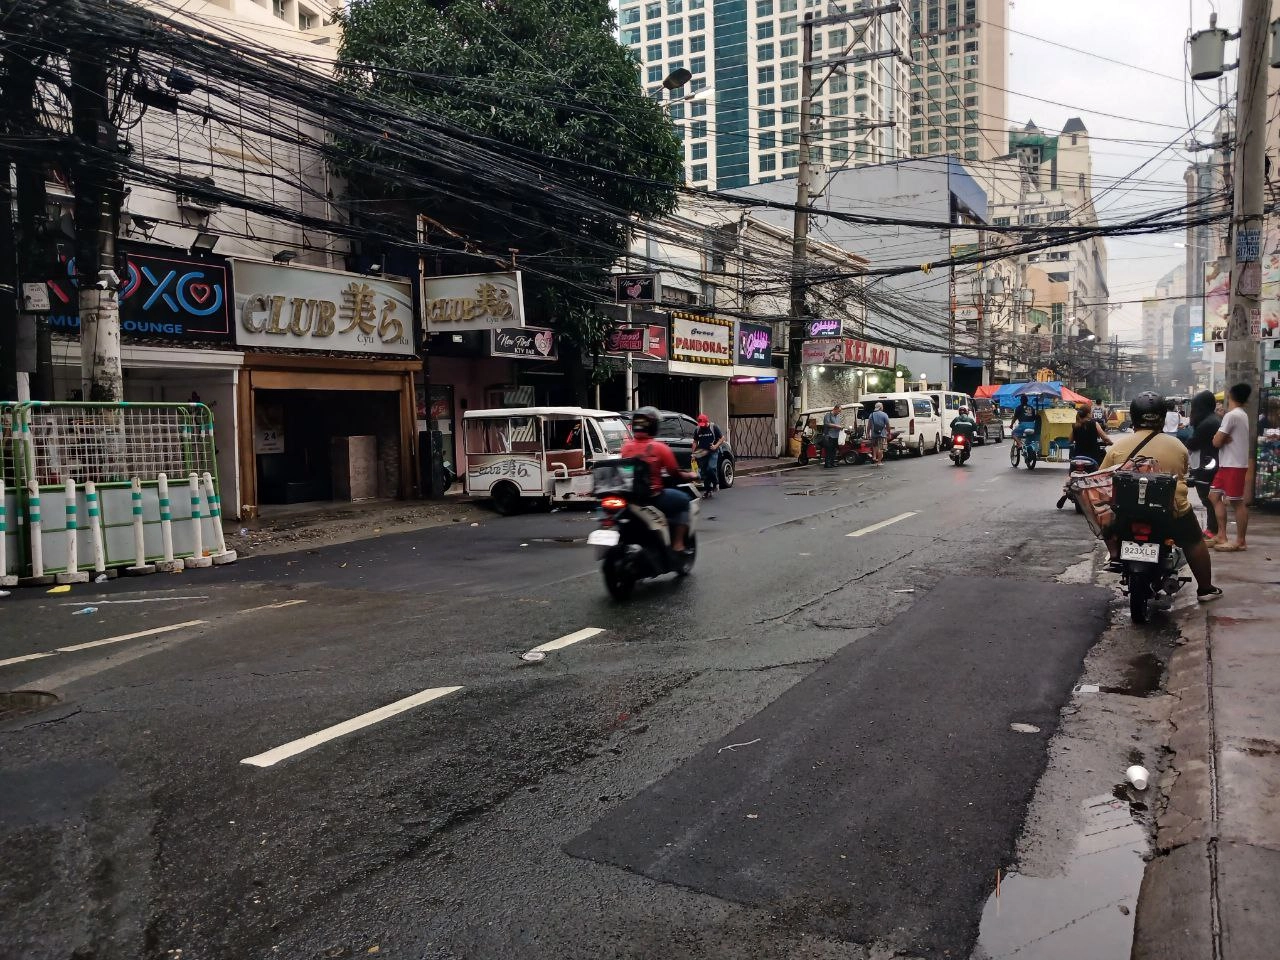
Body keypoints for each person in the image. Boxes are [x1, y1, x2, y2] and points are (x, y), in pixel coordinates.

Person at [1100, 392, 1221, 602]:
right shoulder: (1178, 447)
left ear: (1133, 417)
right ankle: (1205, 589)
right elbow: (1184, 474)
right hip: (1172, 512)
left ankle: (1115, 555)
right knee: (1193, 542)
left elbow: (1102, 479)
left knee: (1104, 518)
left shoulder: (1117, 447)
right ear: (1162, 418)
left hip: (1126, 512)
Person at [620, 407, 696, 553]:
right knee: (684, 500)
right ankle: (678, 544)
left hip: (631, 498)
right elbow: (674, 473)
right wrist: (691, 475)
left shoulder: (626, 448)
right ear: (654, 427)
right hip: (652, 497)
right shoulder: (659, 448)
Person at [1209, 382, 1253, 552]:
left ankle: (1241, 540)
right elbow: (1220, 439)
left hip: (1233, 465)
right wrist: (1221, 438)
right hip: (1227, 464)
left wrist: (1219, 438)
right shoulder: (1241, 414)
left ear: (1230, 396)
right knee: (1213, 496)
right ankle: (1221, 534)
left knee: (1237, 502)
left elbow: (1216, 441)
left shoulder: (1232, 415)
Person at [1185, 389, 1221, 540]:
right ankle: (1213, 528)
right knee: (1209, 500)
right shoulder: (1213, 419)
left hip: (1207, 465)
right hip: (1209, 463)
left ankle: (1213, 529)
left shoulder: (1207, 423)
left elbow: (1192, 444)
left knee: (1208, 499)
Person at [692, 413, 725, 498]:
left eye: (703, 424)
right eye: (700, 425)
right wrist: (693, 454)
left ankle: (715, 483)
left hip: (713, 451)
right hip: (702, 452)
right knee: (704, 472)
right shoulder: (697, 429)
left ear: (707, 421)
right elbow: (695, 442)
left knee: (711, 468)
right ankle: (708, 490)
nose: (702, 426)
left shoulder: (713, 427)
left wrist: (715, 446)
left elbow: (722, 438)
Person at [867, 401, 891, 466]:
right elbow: (888, 425)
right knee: (881, 448)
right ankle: (879, 462)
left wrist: (868, 433)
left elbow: (869, 425)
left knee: (875, 446)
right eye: (882, 406)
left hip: (874, 434)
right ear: (880, 407)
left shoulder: (871, 415)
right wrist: (889, 433)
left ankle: (874, 457)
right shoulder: (884, 415)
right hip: (882, 434)